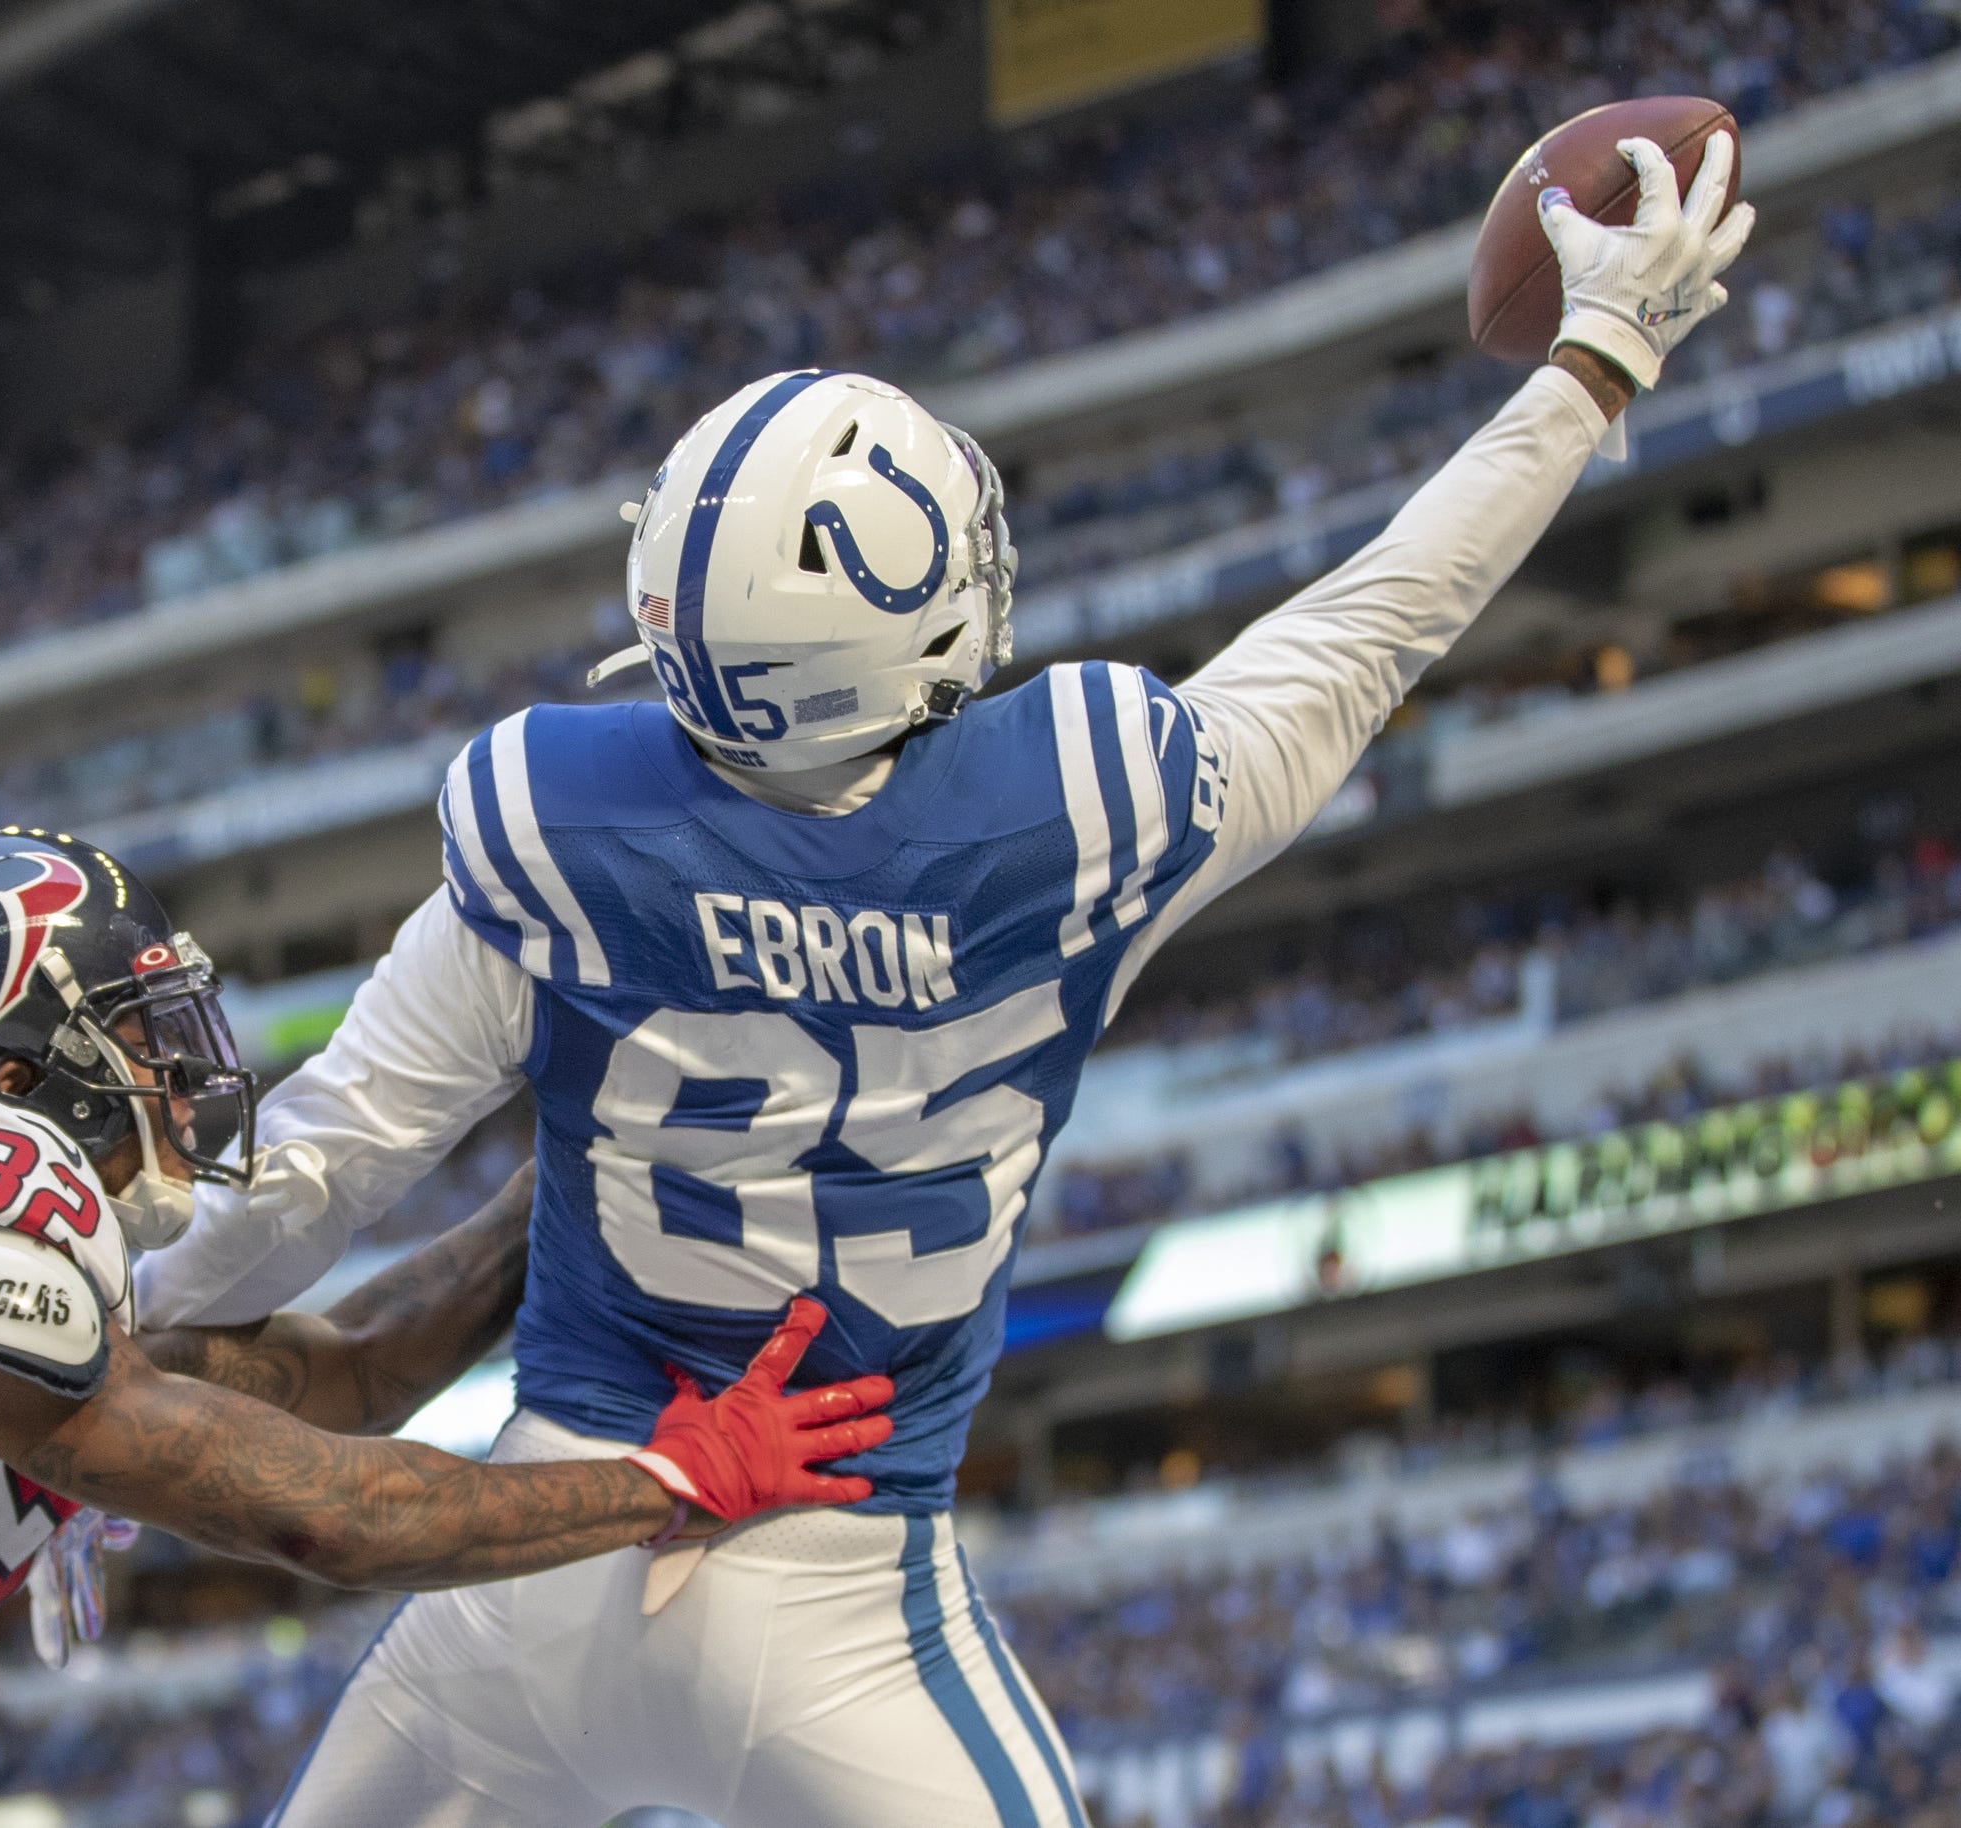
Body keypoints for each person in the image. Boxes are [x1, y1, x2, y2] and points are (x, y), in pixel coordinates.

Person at [136, 138, 1754, 1827]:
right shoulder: (1077, 811)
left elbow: (312, 1174)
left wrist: (103, 1353)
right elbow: (1372, 627)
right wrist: (1593, 368)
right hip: (842, 1596)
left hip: (538, 1555)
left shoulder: (561, 825)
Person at [0, 831, 892, 1828]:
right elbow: (330, 1516)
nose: (180, 1071)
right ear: (10, 1073)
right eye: (138, 1035)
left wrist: (582, 1166)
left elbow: (348, 1373)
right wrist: (670, 1484)